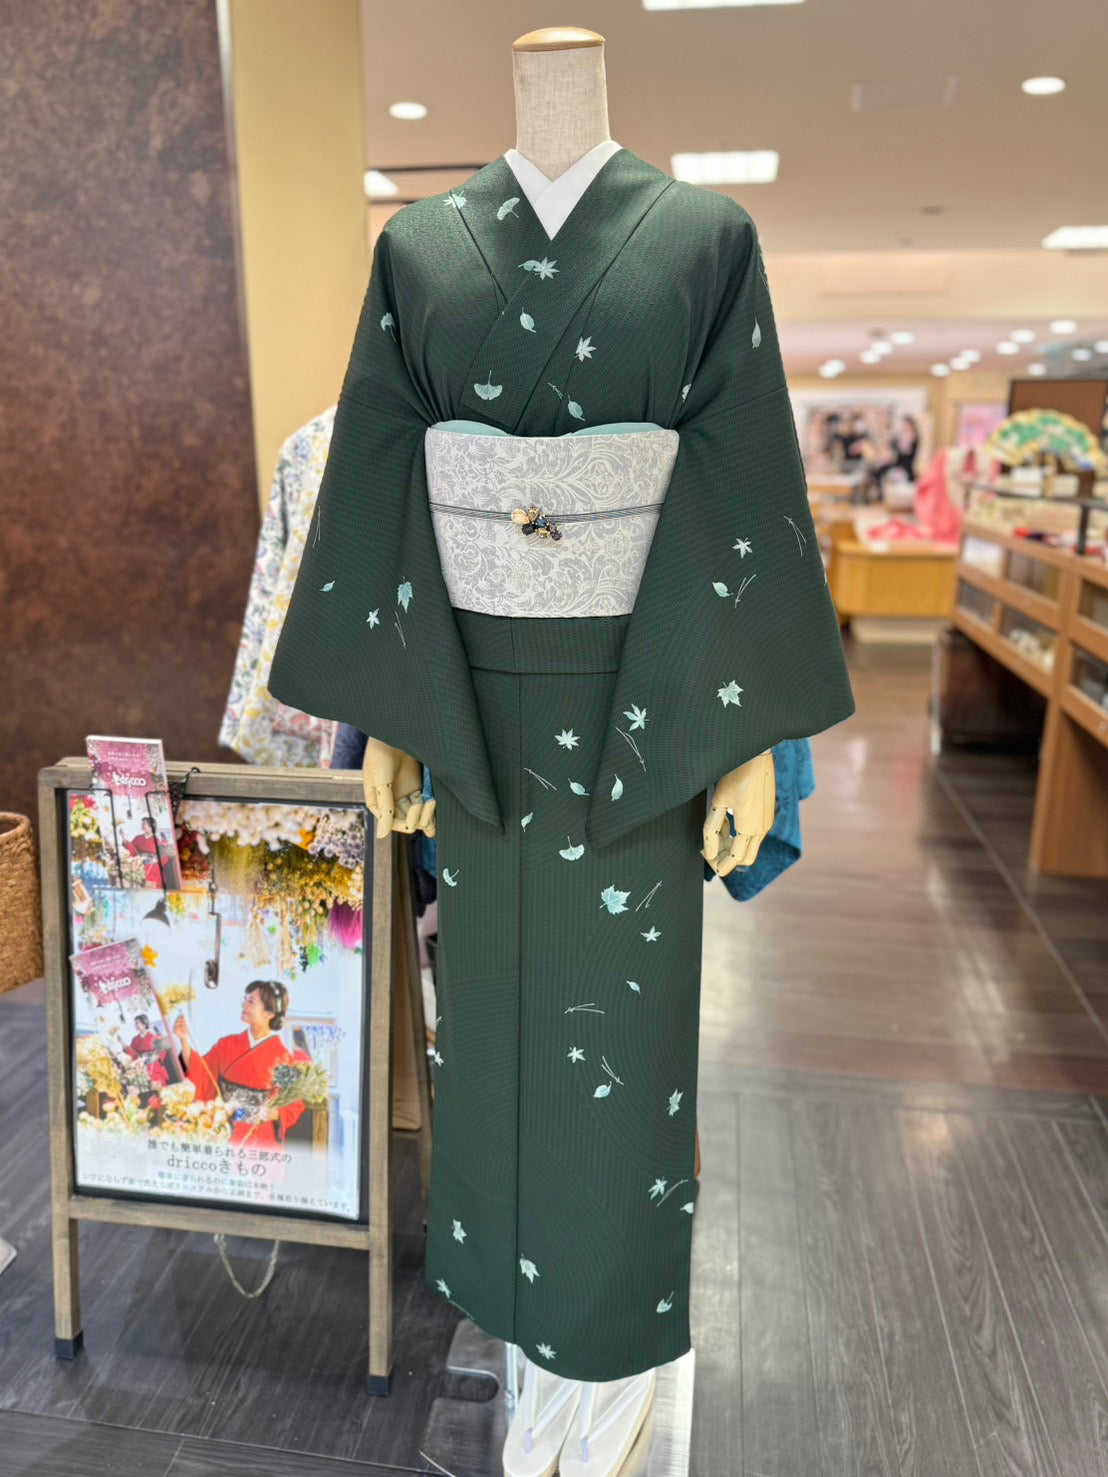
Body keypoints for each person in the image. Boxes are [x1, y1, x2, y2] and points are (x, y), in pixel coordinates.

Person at [172, 981, 306, 1147]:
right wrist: (184, 1040)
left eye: (251, 1002)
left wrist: (275, 1113)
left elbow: (295, 1104)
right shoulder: (226, 1044)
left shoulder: (282, 1057)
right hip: (223, 1127)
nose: (244, 1005)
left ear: (269, 1013)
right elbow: (202, 1073)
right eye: (245, 999)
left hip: (258, 1135)